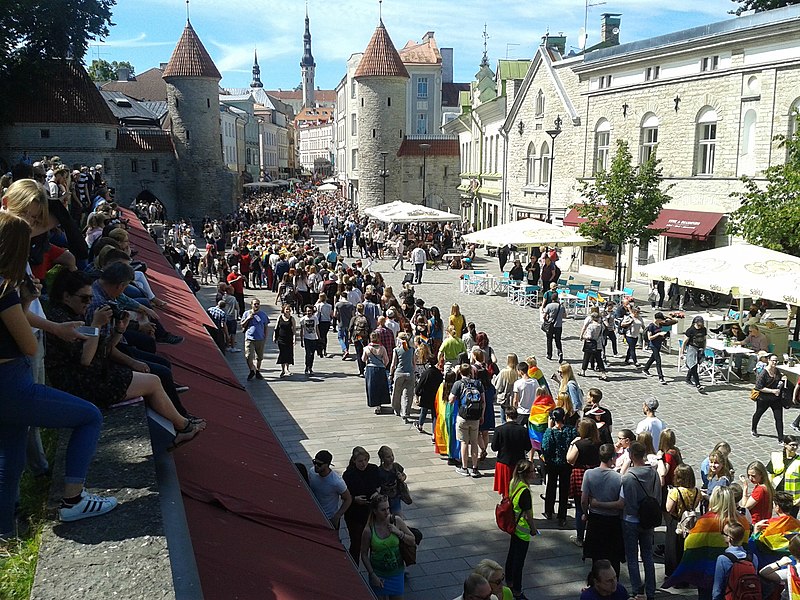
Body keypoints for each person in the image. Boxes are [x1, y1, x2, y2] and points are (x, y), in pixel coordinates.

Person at [0, 211, 116, 536]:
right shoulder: (4, 291)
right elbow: (29, 347)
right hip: (13, 384)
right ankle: (73, 501)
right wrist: (25, 303)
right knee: (89, 417)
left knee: (10, 455)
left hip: (6, 386)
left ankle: (5, 531)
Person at [620, 442, 661, 600]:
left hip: (631, 520)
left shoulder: (629, 477)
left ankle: (637, 589)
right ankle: (651, 590)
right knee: (648, 556)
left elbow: (627, 503)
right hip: (648, 519)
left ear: (631, 456)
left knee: (632, 557)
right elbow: (657, 496)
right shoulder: (654, 473)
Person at [582, 444, 625, 577]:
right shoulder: (619, 478)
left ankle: (598, 583)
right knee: (613, 557)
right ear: (613, 458)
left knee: (597, 556)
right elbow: (620, 504)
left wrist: (586, 512)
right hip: (613, 522)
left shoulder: (589, 474)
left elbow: (584, 500)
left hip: (595, 520)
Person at [360, 494, 414, 600]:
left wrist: (398, 532)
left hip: (396, 573)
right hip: (379, 576)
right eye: (383, 510)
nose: (387, 512)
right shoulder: (368, 530)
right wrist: (372, 574)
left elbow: (412, 540)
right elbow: (364, 554)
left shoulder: (396, 521)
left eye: (388, 508)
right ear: (375, 511)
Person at [505, 459, 539, 600]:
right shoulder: (525, 491)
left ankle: (509, 581)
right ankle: (517, 591)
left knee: (511, 555)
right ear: (525, 474)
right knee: (519, 562)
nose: (535, 473)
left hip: (513, 526)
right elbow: (528, 514)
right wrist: (533, 528)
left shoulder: (514, 482)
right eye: (532, 471)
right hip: (522, 530)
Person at [342, 446, 381, 564]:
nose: (363, 463)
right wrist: (354, 499)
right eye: (360, 461)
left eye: (365, 460)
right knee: (356, 543)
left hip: (371, 512)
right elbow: (344, 494)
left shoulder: (373, 469)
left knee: (375, 542)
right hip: (355, 514)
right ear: (354, 461)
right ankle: (354, 567)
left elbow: (379, 485)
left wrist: (377, 492)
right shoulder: (348, 474)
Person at [567, 418, 601, 547]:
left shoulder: (579, 444)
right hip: (595, 473)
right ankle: (593, 535)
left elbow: (569, 459)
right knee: (595, 506)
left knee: (580, 507)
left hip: (580, 474)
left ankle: (580, 537)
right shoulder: (598, 443)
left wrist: (572, 444)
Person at [664, 464, 702, 577]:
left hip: (676, 522)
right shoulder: (696, 491)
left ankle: (674, 574)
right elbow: (695, 505)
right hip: (690, 522)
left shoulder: (675, 492)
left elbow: (669, 508)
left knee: (674, 549)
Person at [542, 407, 577, 527]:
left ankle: (548, 511)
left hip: (552, 463)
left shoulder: (550, 432)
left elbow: (545, 448)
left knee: (551, 486)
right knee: (564, 489)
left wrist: (547, 459)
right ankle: (562, 516)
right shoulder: (571, 430)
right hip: (566, 464)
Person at [450, 362, 486, 478]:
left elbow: (451, 399)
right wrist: (482, 415)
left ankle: (464, 467)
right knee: (474, 442)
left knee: (464, 442)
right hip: (475, 417)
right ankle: (475, 468)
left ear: (460, 372)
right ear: (471, 372)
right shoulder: (478, 383)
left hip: (463, 417)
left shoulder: (458, 384)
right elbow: (483, 401)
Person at [711, 521, 759, 600]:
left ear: (729, 538)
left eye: (723, 533)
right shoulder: (753, 557)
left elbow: (717, 587)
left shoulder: (723, 559)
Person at [492, 407, 532, 497]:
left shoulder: (499, 429)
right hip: (518, 463)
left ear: (506, 416)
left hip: (503, 463)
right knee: (517, 489)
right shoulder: (523, 430)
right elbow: (528, 447)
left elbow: (494, 447)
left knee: (505, 491)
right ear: (516, 417)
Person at [308, 450, 351, 530]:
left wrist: (337, 516)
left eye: (319, 464)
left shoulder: (336, 482)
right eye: (314, 462)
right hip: (313, 515)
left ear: (327, 465)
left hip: (329, 518)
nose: (316, 466)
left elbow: (348, 499)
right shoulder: (312, 472)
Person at [752, 353, 786, 442]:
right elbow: (759, 387)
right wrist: (772, 391)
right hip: (764, 399)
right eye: (773, 360)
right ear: (768, 361)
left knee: (779, 418)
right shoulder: (763, 373)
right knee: (758, 413)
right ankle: (754, 428)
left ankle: (781, 438)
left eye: (776, 360)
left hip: (776, 399)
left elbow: (779, 381)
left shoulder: (777, 371)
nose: (775, 362)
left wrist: (782, 380)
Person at [767, 435, 800, 515]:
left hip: (793, 500)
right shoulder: (777, 458)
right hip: (779, 496)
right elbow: (769, 474)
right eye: (792, 445)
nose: (795, 447)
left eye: (796, 445)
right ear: (785, 445)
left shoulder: (799, 461)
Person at [241, 298, 269, 381]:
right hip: (250, 338)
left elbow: (266, 326)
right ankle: (251, 370)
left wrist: (265, 337)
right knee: (248, 356)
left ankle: (257, 371)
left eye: (258, 304)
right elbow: (242, 325)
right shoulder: (246, 313)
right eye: (255, 304)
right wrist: (248, 318)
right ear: (251, 305)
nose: (256, 305)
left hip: (260, 338)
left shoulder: (263, 314)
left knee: (259, 357)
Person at [363, 332, 391, 414]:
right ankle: (380, 404)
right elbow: (387, 360)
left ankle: (375, 404)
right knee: (381, 387)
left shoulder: (367, 348)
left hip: (370, 369)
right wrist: (383, 365)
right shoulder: (382, 348)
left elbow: (363, 359)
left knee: (372, 387)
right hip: (380, 369)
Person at [390, 333, 415, 423]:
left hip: (399, 373)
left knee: (397, 392)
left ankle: (396, 410)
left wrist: (391, 374)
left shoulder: (396, 350)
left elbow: (393, 364)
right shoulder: (412, 349)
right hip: (410, 373)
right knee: (408, 395)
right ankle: (405, 412)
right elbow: (414, 363)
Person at [377, 446, 408, 517]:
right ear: (382, 459)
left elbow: (404, 475)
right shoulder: (379, 471)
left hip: (395, 496)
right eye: (388, 457)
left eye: (392, 455)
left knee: (398, 514)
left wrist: (402, 478)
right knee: (387, 515)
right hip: (385, 498)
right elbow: (378, 484)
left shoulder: (396, 466)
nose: (391, 458)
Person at [641, 312, 671, 385]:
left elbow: (671, 320)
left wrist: (664, 335)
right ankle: (661, 377)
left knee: (653, 358)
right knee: (658, 360)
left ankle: (645, 369)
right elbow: (650, 337)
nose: (662, 321)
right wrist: (658, 334)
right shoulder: (651, 326)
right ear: (657, 319)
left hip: (658, 344)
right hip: (653, 345)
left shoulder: (659, 324)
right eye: (661, 319)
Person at [415, 357, 443, 433]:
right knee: (434, 415)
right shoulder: (439, 373)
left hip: (426, 395)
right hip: (435, 396)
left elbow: (420, 384)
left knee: (423, 411)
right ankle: (434, 434)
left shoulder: (426, 373)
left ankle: (420, 425)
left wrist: (417, 393)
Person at [581, 313, 607, 381]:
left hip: (590, 344)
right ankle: (603, 373)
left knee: (586, 358)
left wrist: (583, 337)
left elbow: (589, 336)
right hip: (598, 344)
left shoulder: (591, 326)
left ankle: (583, 371)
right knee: (599, 359)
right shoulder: (601, 326)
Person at [494, 354, 520, 422]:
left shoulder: (503, 372)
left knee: (503, 418)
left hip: (504, 399)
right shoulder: (518, 372)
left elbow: (498, 386)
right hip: (515, 398)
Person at [684, 315, 707, 391]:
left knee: (695, 364)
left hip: (700, 349)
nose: (701, 324)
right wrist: (681, 353)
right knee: (694, 366)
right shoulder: (690, 330)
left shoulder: (704, 329)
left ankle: (688, 378)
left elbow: (704, 339)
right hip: (692, 348)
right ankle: (698, 384)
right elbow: (685, 341)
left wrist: (704, 348)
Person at [542, 292, 565, 363]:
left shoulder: (549, 306)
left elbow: (544, 316)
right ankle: (559, 352)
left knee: (549, 340)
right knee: (558, 340)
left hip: (550, 326)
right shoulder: (561, 306)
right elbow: (565, 316)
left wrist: (546, 320)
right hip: (559, 326)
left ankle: (549, 354)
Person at [274, 304, 296, 377]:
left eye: (289, 309)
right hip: (281, 339)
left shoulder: (292, 319)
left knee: (289, 353)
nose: (288, 311)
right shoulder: (280, 317)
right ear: (283, 310)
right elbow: (276, 327)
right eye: (286, 309)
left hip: (289, 338)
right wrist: (274, 336)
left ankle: (287, 368)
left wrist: (294, 338)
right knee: (282, 353)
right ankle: (283, 369)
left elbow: (294, 330)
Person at [299, 304, 320, 376]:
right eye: (307, 311)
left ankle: (310, 367)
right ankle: (307, 366)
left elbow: (317, 328)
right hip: (306, 338)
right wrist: (301, 340)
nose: (309, 312)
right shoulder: (303, 319)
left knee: (312, 354)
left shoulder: (315, 318)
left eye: (310, 311)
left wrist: (319, 338)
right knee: (308, 353)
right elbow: (301, 330)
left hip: (314, 338)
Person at [314, 292, 333, 358]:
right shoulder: (329, 306)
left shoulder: (318, 305)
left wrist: (317, 302)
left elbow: (314, 310)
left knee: (319, 336)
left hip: (320, 322)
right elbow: (331, 314)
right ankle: (324, 349)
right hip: (327, 322)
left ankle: (320, 350)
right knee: (324, 336)